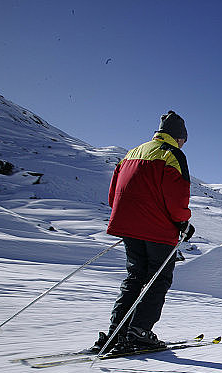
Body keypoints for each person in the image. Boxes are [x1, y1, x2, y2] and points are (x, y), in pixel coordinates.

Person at [92, 111, 195, 352]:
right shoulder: (172, 155)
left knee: (135, 277)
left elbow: (113, 194)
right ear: (178, 137)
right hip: (158, 229)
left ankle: (117, 331)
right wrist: (183, 223)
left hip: (128, 226)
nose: (183, 144)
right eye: (183, 140)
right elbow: (177, 197)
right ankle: (139, 332)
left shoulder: (132, 152)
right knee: (157, 279)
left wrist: (131, 218)